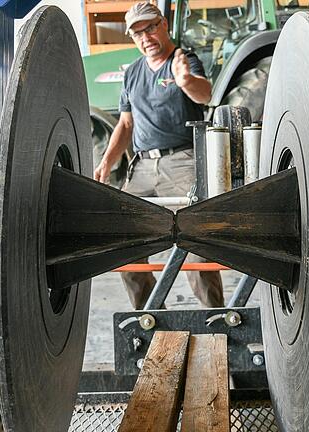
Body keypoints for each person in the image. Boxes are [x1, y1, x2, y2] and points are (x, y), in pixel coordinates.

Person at [94, 1, 223, 309]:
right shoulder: (133, 73)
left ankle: (216, 317)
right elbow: (126, 124)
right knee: (124, 240)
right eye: (137, 33)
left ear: (163, 25)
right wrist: (107, 161)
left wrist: (186, 82)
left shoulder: (183, 60)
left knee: (195, 241)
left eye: (150, 28)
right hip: (141, 167)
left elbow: (205, 94)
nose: (146, 37)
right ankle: (150, 316)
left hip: (182, 162)